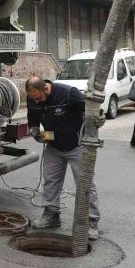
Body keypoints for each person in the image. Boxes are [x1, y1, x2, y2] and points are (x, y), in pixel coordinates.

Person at [25, 76, 101, 241]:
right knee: (50, 181)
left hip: (77, 145)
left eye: (38, 98)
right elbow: (32, 115)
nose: (36, 101)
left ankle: (91, 222)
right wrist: (34, 129)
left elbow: (91, 108)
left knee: (86, 184)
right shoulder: (32, 98)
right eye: (33, 99)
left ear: (46, 88)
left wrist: (98, 117)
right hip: (53, 144)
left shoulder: (68, 94)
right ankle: (52, 216)